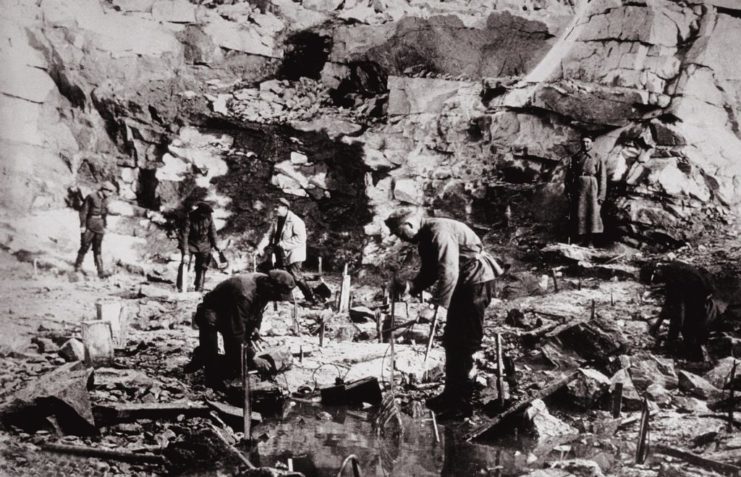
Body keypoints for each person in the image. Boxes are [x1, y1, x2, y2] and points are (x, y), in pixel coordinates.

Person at [385, 210, 504, 419]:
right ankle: (450, 396)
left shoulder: (438, 231)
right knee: (451, 340)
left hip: (476, 282)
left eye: (399, 231)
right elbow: (432, 271)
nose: (399, 238)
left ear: (410, 224)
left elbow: (449, 271)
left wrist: (437, 307)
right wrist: (411, 287)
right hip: (464, 283)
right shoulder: (425, 238)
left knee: (466, 342)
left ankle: (462, 404)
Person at [184, 270, 296, 387]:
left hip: (232, 309)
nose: (276, 299)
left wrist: (255, 327)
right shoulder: (245, 293)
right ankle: (210, 375)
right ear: (272, 287)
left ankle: (229, 368)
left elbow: (259, 309)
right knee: (213, 346)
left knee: (238, 355)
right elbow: (236, 332)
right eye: (277, 296)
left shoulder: (265, 285)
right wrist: (254, 357)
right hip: (213, 310)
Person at [644, 261, 727, 361]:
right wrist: (657, 324)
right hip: (698, 299)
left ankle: (696, 363)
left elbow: (678, 315)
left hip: (705, 305)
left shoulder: (676, 278)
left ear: (657, 271)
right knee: (688, 330)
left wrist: (671, 341)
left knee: (690, 333)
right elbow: (669, 302)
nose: (657, 283)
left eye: (654, 280)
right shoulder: (671, 269)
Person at [256, 198, 315, 303]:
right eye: (274, 206)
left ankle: (310, 298)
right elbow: (269, 235)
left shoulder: (296, 221)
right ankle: (284, 298)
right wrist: (260, 247)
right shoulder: (276, 220)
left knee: (296, 276)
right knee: (281, 275)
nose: (275, 209)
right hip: (280, 252)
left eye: (277, 207)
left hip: (294, 253)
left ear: (285, 208)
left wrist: (283, 244)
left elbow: (301, 239)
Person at [565, 136, 607, 247]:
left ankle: (590, 241)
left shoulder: (597, 157)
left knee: (593, 213)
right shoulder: (576, 157)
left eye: (588, 142)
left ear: (592, 143)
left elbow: (602, 177)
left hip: (592, 187)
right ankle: (580, 239)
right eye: (583, 142)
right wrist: (568, 189)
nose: (585, 144)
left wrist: (601, 195)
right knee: (579, 213)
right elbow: (569, 175)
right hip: (579, 188)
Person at [74, 181, 116, 278]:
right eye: (109, 191)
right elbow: (83, 211)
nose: (110, 194)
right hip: (89, 225)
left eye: (111, 192)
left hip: (99, 226)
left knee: (98, 249)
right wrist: (83, 225)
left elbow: (104, 214)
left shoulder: (106, 200)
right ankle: (77, 267)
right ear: (104, 189)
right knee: (84, 246)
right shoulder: (91, 197)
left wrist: (105, 226)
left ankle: (100, 272)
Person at [178, 201, 221, 292]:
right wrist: (185, 253)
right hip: (190, 244)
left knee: (202, 266)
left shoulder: (209, 217)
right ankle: (181, 287)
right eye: (204, 214)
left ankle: (199, 287)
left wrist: (216, 245)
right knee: (185, 264)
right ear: (199, 212)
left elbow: (212, 231)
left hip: (204, 244)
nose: (206, 215)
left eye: (207, 214)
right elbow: (184, 235)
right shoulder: (189, 217)